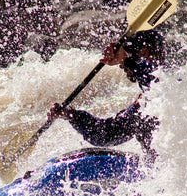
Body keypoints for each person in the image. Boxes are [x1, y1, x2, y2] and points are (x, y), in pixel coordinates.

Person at [48, 30, 165, 161]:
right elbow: (105, 134)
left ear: (143, 53)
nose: (121, 67)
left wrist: (127, 60)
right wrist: (71, 115)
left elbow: (156, 77)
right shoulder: (145, 105)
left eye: (122, 62)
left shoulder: (178, 86)